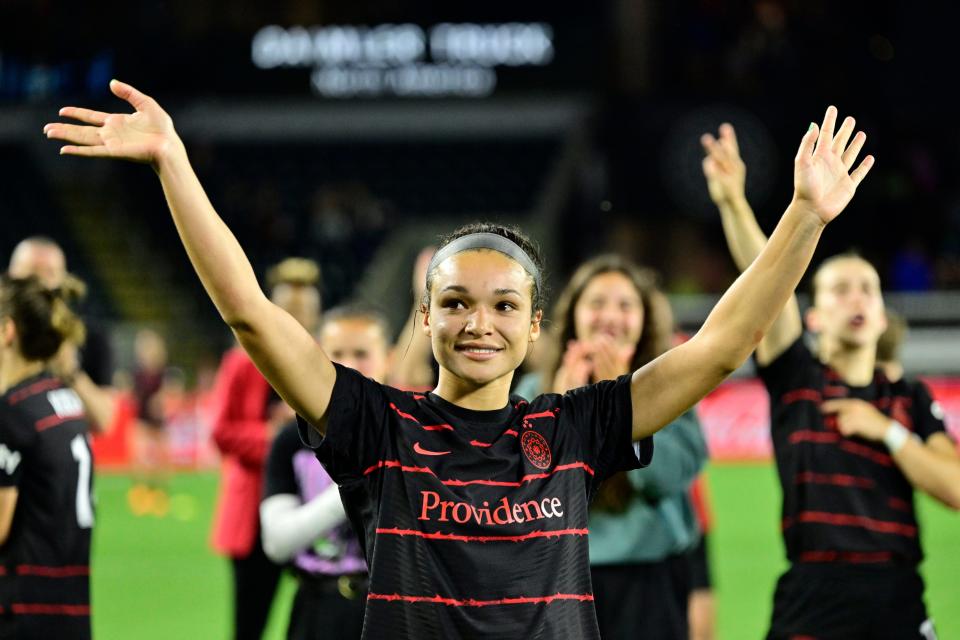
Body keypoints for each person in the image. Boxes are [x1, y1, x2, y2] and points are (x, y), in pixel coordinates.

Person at [47, 81, 872, 638]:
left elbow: (725, 343)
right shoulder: (378, 424)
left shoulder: (577, 423)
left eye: (505, 305)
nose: (479, 322)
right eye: (455, 303)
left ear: (535, 323)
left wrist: (803, 216)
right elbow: (251, 316)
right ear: (426, 316)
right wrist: (175, 166)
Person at [702, 122, 960, 639]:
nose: (858, 298)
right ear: (813, 316)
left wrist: (887, 431)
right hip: (812, 602)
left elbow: (954, 487)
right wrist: (733, 203)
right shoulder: (799, 379)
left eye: (867, 289)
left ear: (884, 316)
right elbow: (766, 277)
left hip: (897, 599)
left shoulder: (908, 398)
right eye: (839, 290)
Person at [522, 255, 708, 640]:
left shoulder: (671, 388)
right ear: (574, 315)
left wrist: (621, 404)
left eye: (625, 305)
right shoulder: (532, 391)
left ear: (644, 321)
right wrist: (560, 407)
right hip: (557, 578)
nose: (610, 316)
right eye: (597, 303)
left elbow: (670, 477)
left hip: (648, 583)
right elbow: (521, 494)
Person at [261, 303, 392, 640]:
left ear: (387, 358)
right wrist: (350, 491)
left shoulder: (410, 433)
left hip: (391, 609)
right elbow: (277, 542)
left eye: (362, 353)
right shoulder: (292, 439)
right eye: (337, 353)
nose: (348, 365)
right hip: (317, 607)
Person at [207, 256, 321, 640]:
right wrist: (277, 439)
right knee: (249, 625)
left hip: (314, 513)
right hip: (252, 516)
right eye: (289, 309)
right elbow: (220, 431)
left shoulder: (324, 363)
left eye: (305, 310)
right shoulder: (241, 362)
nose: (297, 318)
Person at [0, 274, 93, 639]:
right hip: (71, 609)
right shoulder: (65, 402)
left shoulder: (12, 413)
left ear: (8, 331)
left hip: (24, 612)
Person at [7, 237, 115, 431]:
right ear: (10, 277)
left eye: (49, 274)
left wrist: (70, 370)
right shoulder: (5, 333)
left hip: (58, 452)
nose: (39, 285)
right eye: (30, 274)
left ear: (64, 281)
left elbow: (104, 422)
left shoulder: (87, 336)